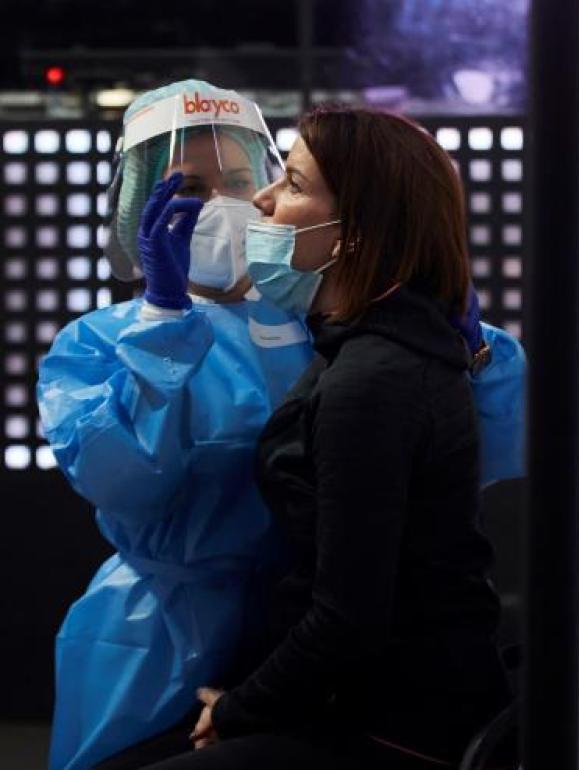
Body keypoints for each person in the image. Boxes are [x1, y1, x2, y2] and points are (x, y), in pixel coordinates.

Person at [38, 81, 524, 770]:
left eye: (244, 179)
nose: (237, 206)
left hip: (312, 644)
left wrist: (473, 352)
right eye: (190, 188)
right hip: (164, 636)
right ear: (136, 205)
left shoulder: (330, 327)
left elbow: (488, 448)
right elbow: (125, 482)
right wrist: (162, 325)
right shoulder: (100, 344)